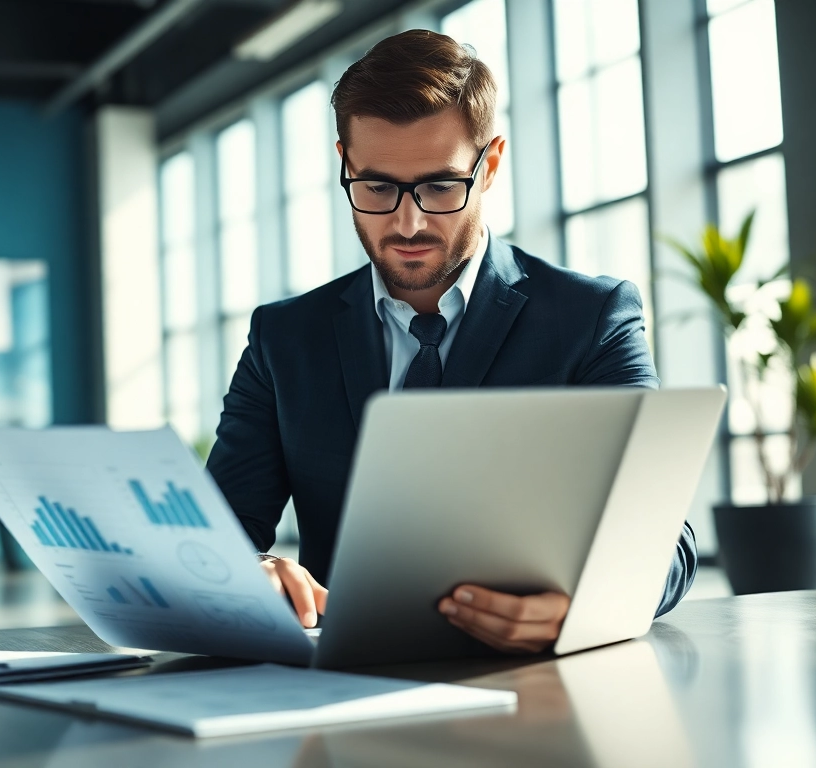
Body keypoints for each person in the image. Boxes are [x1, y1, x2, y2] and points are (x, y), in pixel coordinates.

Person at [205, 29, 697, 655]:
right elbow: (217, 531)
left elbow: (666, 538)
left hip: (532, 689)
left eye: (440, 186)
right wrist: (245, 573)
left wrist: (587, 609)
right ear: (345, 164)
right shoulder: (284, 337)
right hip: (345, 678)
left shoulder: (591, 317)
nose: (407, 223)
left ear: (488, 166)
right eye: (377, 187)